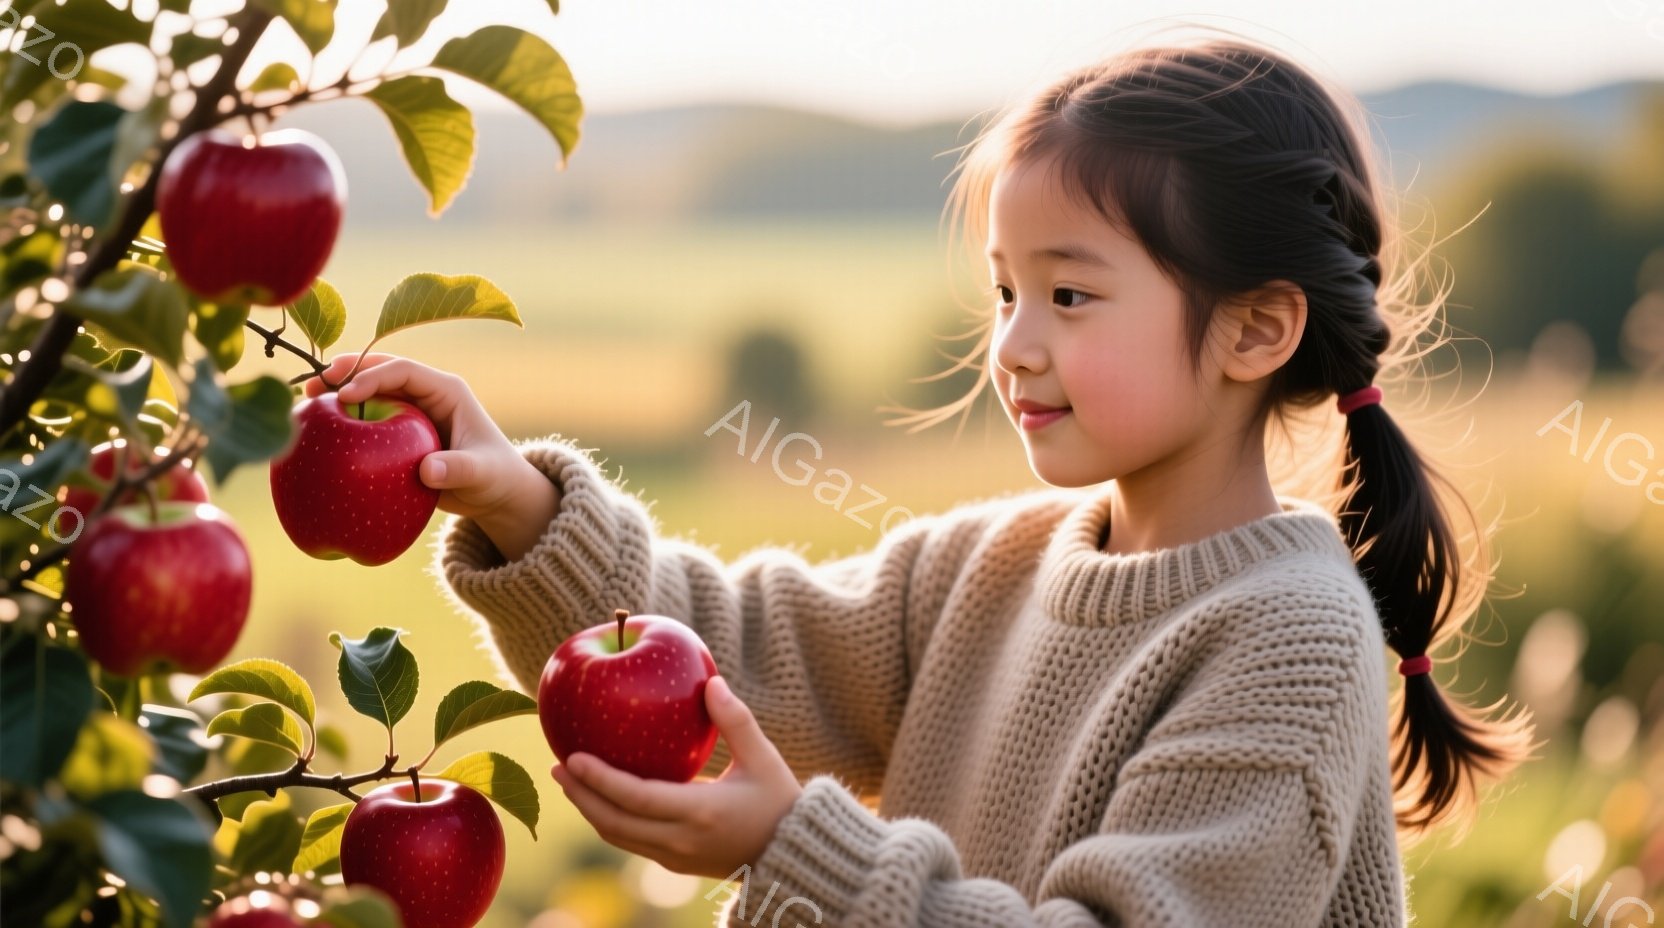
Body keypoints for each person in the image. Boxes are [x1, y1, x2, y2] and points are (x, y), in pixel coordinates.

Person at [305, 31, 1539, 928]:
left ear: (1254, 330)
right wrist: (522, 505)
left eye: (1069, 293)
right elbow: (729, 654)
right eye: (1006, 291)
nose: (1012, 342)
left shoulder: (1289, 641)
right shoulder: (986, 565)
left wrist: (796, 848)